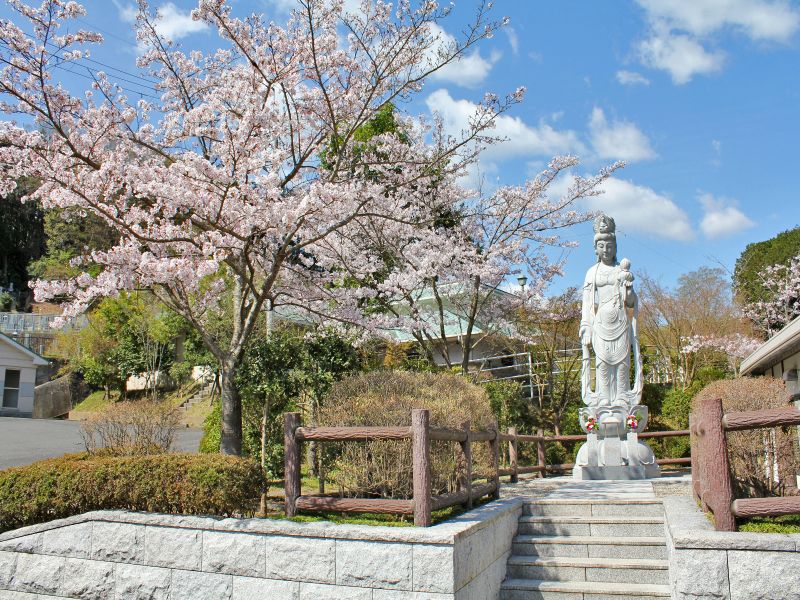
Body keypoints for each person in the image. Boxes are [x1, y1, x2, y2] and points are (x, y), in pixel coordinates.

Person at [579, 215, 642, 408]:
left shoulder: (620, 271)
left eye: (609, 246)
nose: (605, 250)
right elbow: (587, 303)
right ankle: (604, 397)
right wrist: (586, 327)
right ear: (595, 248)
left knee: (622, 361)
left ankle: (622, 396)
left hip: (620, 321)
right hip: (600, 323)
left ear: (615, 247)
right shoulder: (592, 272)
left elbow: (630, 303)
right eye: (601, 246)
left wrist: (629, 289)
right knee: (603, 362)